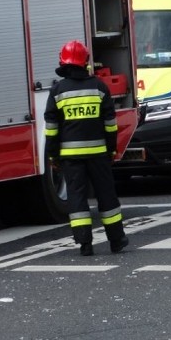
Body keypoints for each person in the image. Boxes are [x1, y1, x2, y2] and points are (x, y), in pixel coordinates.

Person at [44, 40, 129, 256]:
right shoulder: (99, 87)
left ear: (63, 62)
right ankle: (117, 241)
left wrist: (53, 156)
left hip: (71, 158)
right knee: (107, 196)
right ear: (85, 62)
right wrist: (111, 150)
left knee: (77, 198)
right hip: (98, 154)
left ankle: (85, 244)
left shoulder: (57, 91)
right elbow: (110, 125)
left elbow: (51, 130)